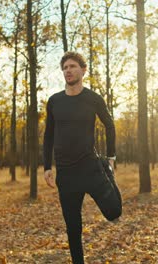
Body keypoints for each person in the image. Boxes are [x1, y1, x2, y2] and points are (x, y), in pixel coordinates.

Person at [43, 51, 122, 264]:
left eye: (72, 66)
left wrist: (111, 157)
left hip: (90, 168)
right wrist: (47, 167)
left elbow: (110, 124)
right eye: (65, 68)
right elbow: (49, 134)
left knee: (114, 212)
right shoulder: (54, 101)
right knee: (73, 227)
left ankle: (107, 171)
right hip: (66, 174)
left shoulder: (93, 99)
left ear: (83, 70)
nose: (68, 70)